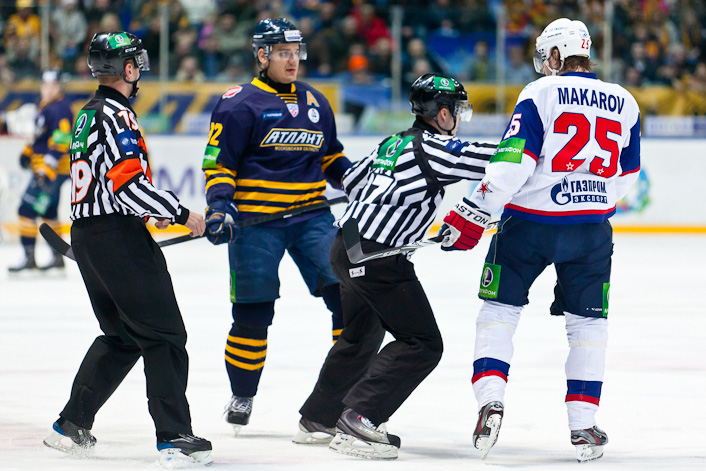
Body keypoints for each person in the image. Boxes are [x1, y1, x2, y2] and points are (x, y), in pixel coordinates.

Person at [439, 19, 640, 462]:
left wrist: (473, 210)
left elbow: (512, 165)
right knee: (588, 326)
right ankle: (583, 425)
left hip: (529, 226)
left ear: (555, 55)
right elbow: (627, 175)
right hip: (590, 231)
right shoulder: (625, 100)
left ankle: (491, 401)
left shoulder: (539, 92)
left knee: (499, 312)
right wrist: (588, 202)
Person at [294, 73, 496, 459]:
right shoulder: (435, 147)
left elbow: (353, 181)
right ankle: (360, 418)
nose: (458, 117)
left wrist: (385, 195)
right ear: (441, 113)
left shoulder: (392, 143)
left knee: (360, 336)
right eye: (456, 110)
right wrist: (537, 147)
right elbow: (494, 159)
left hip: (346, 247)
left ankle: (319, 418)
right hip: (378, 259)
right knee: (422, 343)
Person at [43, 32, 213, 466]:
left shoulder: (88, 113)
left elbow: (110, 185)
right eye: (137, 62)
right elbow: (128, 184)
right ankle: (174, 437)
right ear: (129, 69)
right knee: (164, 335)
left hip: (89, 235)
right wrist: (181, 212)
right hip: (117, 240)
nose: (141, 69)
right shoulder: (117, 114)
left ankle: (71, 422)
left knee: (122, 336)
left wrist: (149, 212)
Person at [201, 18, 352, 434]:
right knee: (253, 314)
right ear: (262, 55)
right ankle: (242, 394)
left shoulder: (317, 101)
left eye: (296, 52)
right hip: (256, 223)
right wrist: (220, 207)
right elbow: (219, 163)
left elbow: (330, 157)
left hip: (312, 218)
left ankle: (341, 397)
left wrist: (356, 179)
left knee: (348, 300)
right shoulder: (238, 103)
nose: (292, 60)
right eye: (283, 53)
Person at [8, 70, 72, 273]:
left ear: (59, 87)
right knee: (48, 211)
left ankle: (29, 258)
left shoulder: (60, 109)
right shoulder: (45, 107)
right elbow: (40, 137)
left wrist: (46, 169)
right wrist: (28, 152)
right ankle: (58, 257)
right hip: (48, 171)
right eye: (46, 85)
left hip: (51, 173)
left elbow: (61, 141)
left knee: (26, 210)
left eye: (53, 86)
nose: (49, 89)